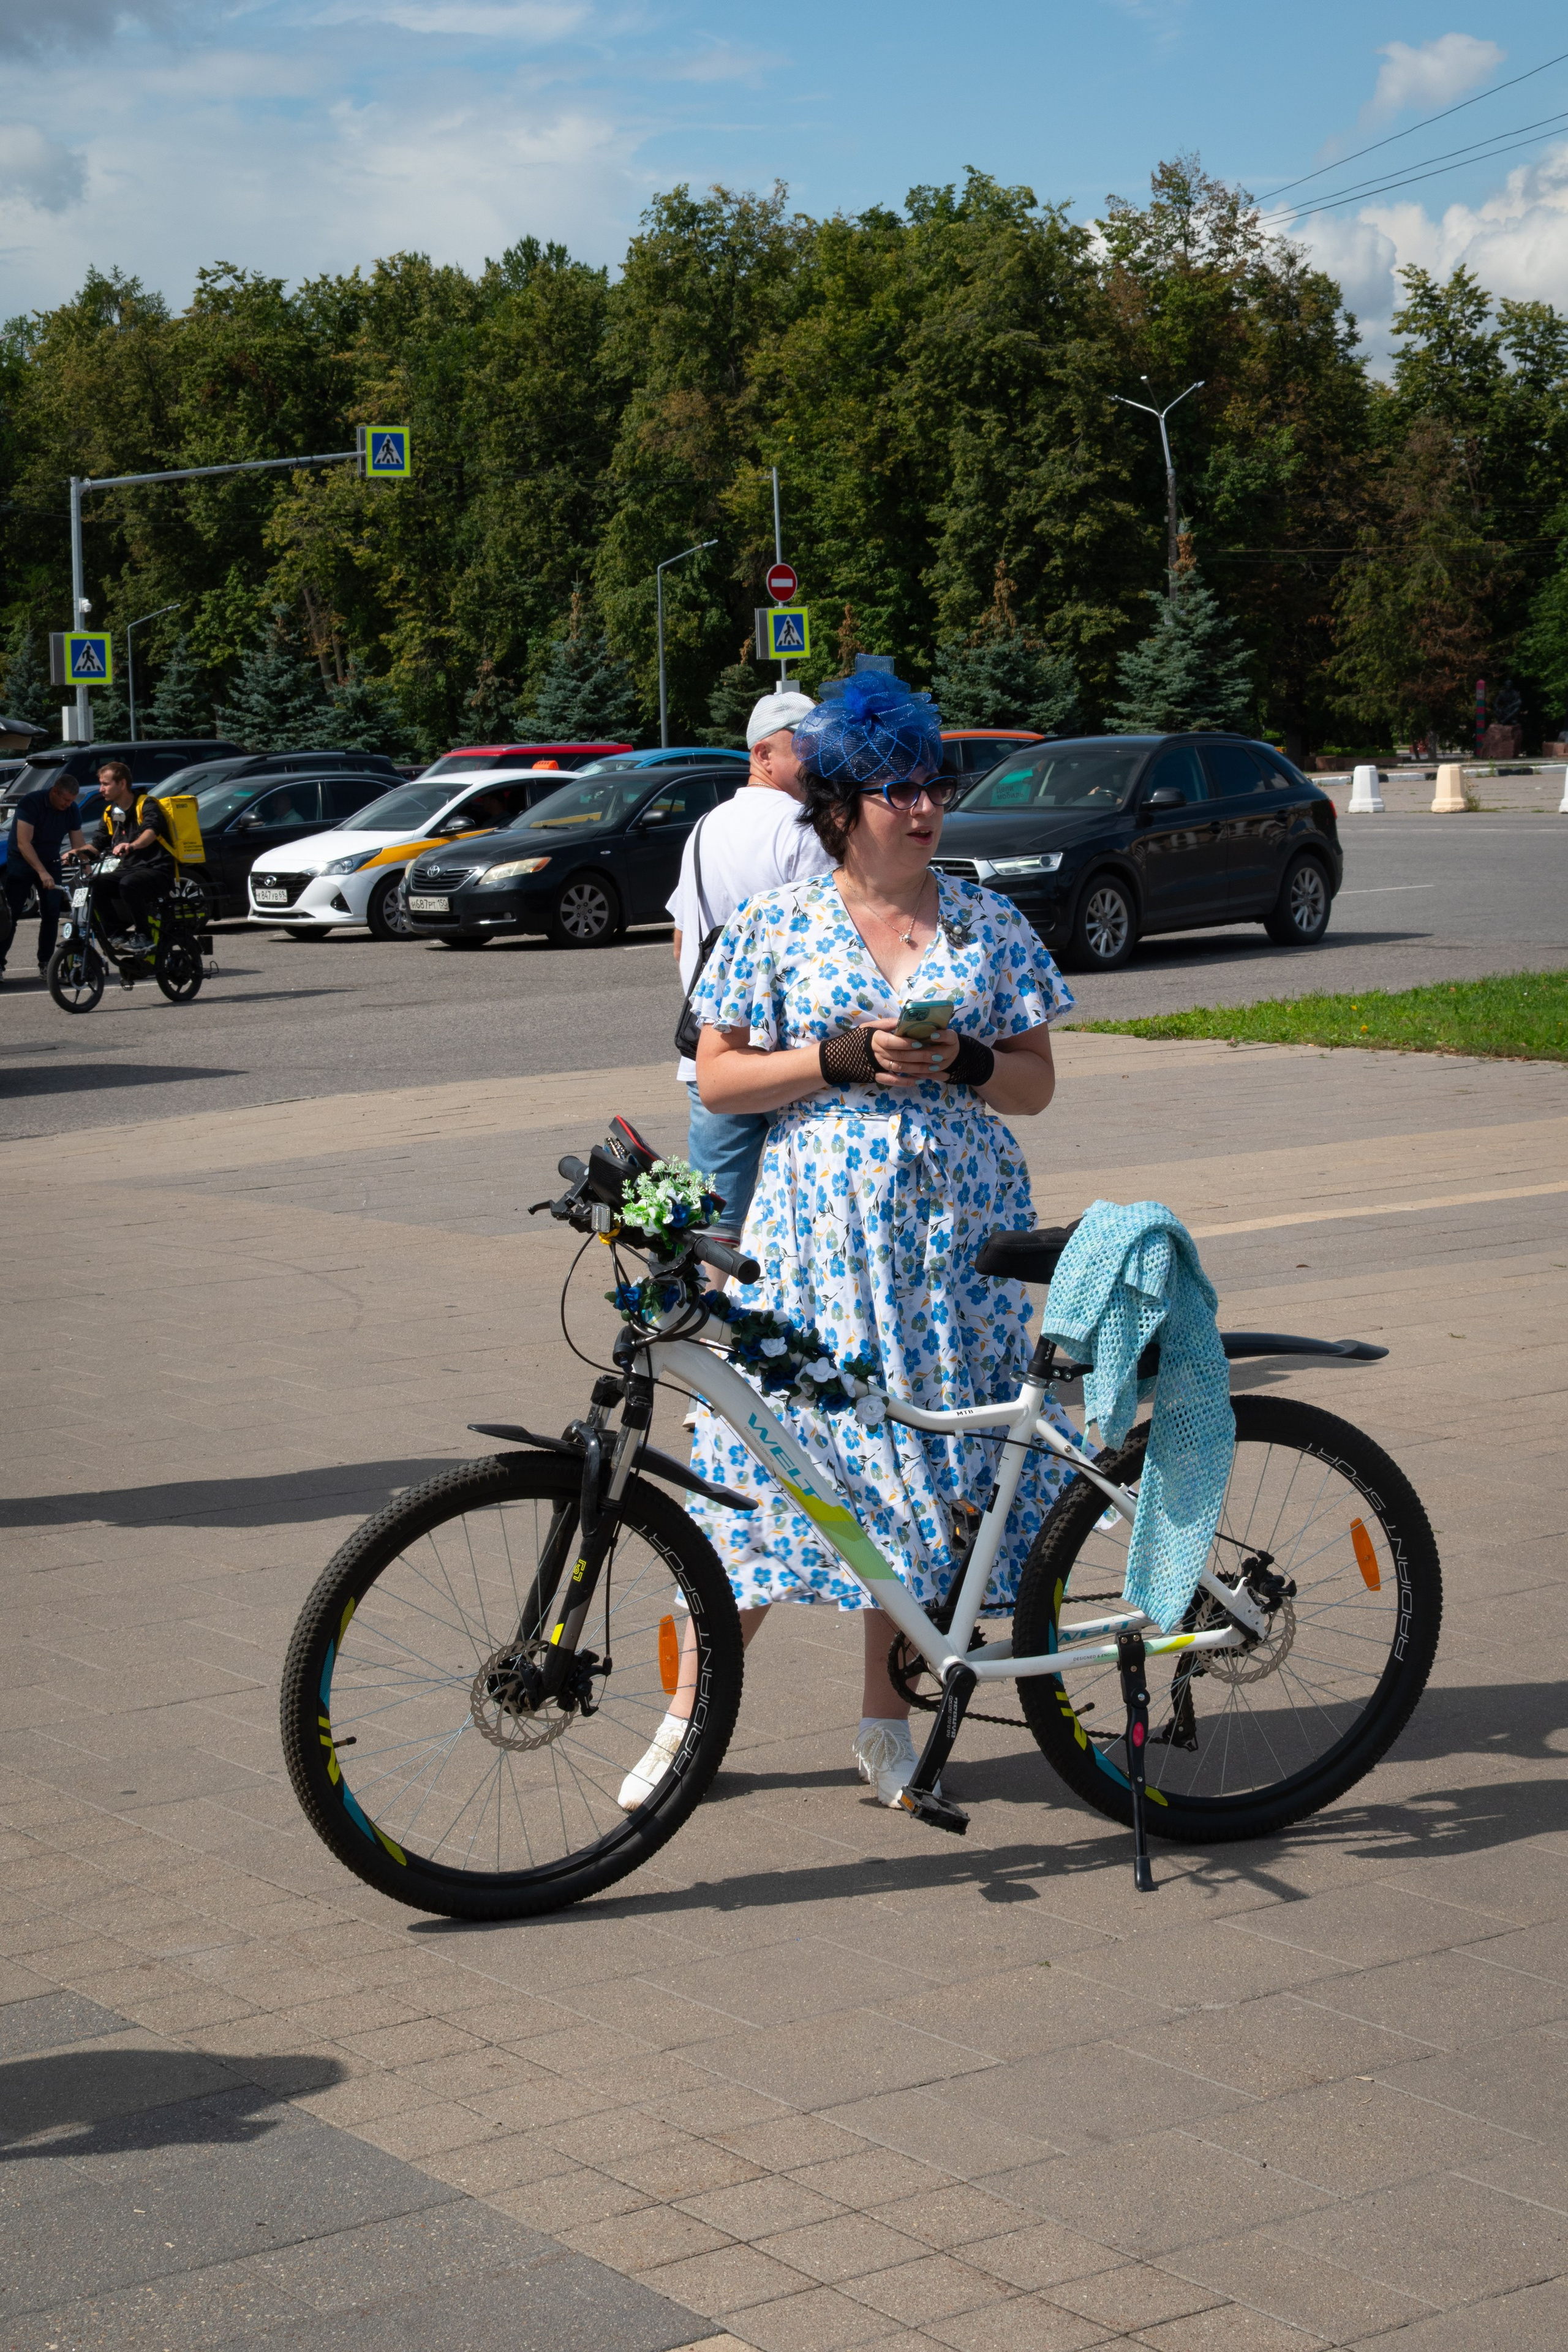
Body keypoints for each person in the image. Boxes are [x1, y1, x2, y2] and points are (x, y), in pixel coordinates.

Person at [621, 668, 1078, 1809]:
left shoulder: (986, 920)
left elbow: (1036, 1084)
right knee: (775, 1474)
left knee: (920, 1483)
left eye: (932, 787)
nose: (922, 810)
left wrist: (965, 1060)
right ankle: (686, 1724)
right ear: (840, 809)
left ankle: (886, 1725)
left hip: (955, 1250)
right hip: (815, 1247)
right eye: (894, 791)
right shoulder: (778, 926)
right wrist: (833, 1061)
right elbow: (718, 1081)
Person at [666, 687, 829, 1239]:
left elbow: (681, 937)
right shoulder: (803, 828)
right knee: (811, 1215)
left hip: (717, 1056)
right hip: (794, 1059)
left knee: (712, 1225)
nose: (819, 757)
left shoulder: (706, 826)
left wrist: (718, 1021)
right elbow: (826, 942)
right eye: (805, 745)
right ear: (763, 754)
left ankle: (693, 1322)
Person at [1, 769, 91, 979]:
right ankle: (0, 963)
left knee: (51, 914)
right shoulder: (31, 803)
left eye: (72, 801)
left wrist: (88, 870)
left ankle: (46, 963)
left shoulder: (72, 810)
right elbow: (24, 842)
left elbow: (78, 845)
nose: (68, 804)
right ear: (54, 792)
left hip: (51, 861)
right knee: (11, 915)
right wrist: (41, 872)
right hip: (22, 861)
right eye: (66, 800)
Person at [97, 761, 176, 955]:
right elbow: (97, 842)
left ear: (122, 784)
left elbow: (151, 831)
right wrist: (76, 853)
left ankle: (144, 936)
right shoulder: (111, 812)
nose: (101, 789)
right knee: (96, 884)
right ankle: (116, 934)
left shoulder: (146, 804)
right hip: (129, 870)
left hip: (158, 869)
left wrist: (132, 845)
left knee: (129, 884)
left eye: (106, 784)